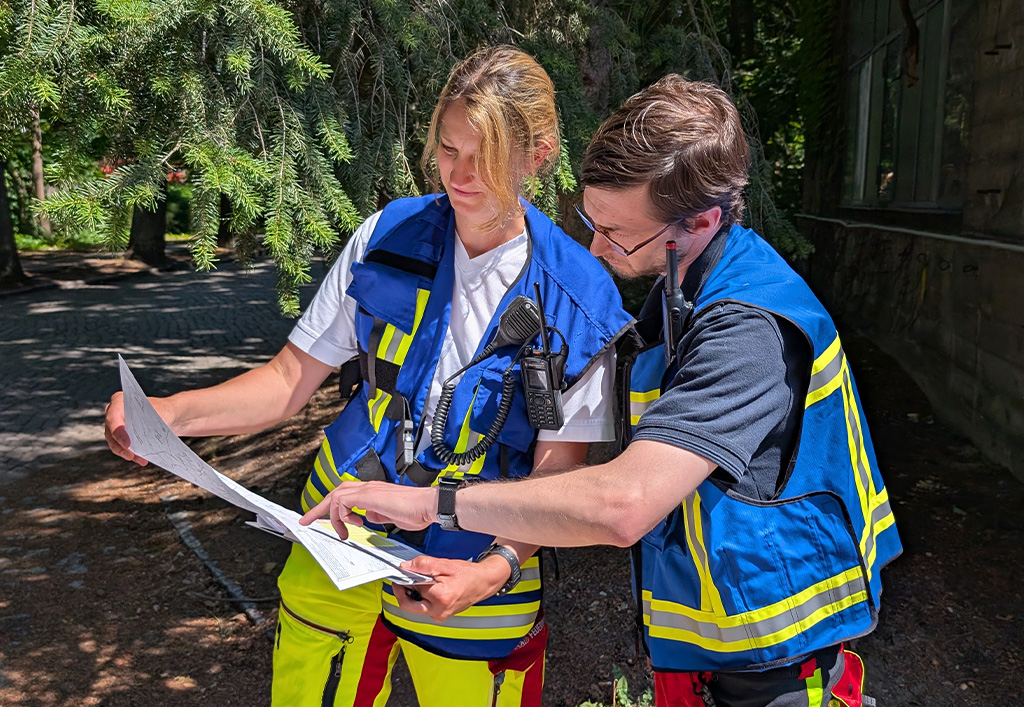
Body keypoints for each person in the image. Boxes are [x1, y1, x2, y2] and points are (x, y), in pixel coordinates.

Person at [302, 75, 903, 707]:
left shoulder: (746, 329)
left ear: (700, 220)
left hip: (774, 667)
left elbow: (623, 504)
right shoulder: (687, 292)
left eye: (618, 233)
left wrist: (431, 506)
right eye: (593, 221)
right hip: (720, 652)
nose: (596, 247)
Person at [104, 46, 632, 706]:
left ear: (539, 154)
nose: (459, 176)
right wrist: (169, 413)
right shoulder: (388, 236)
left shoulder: (577, 300)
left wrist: (492, 570)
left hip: (473, 575)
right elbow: (287, 379)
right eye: (447, 149)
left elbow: (557, 477)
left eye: (484, 157)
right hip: (340, 540)